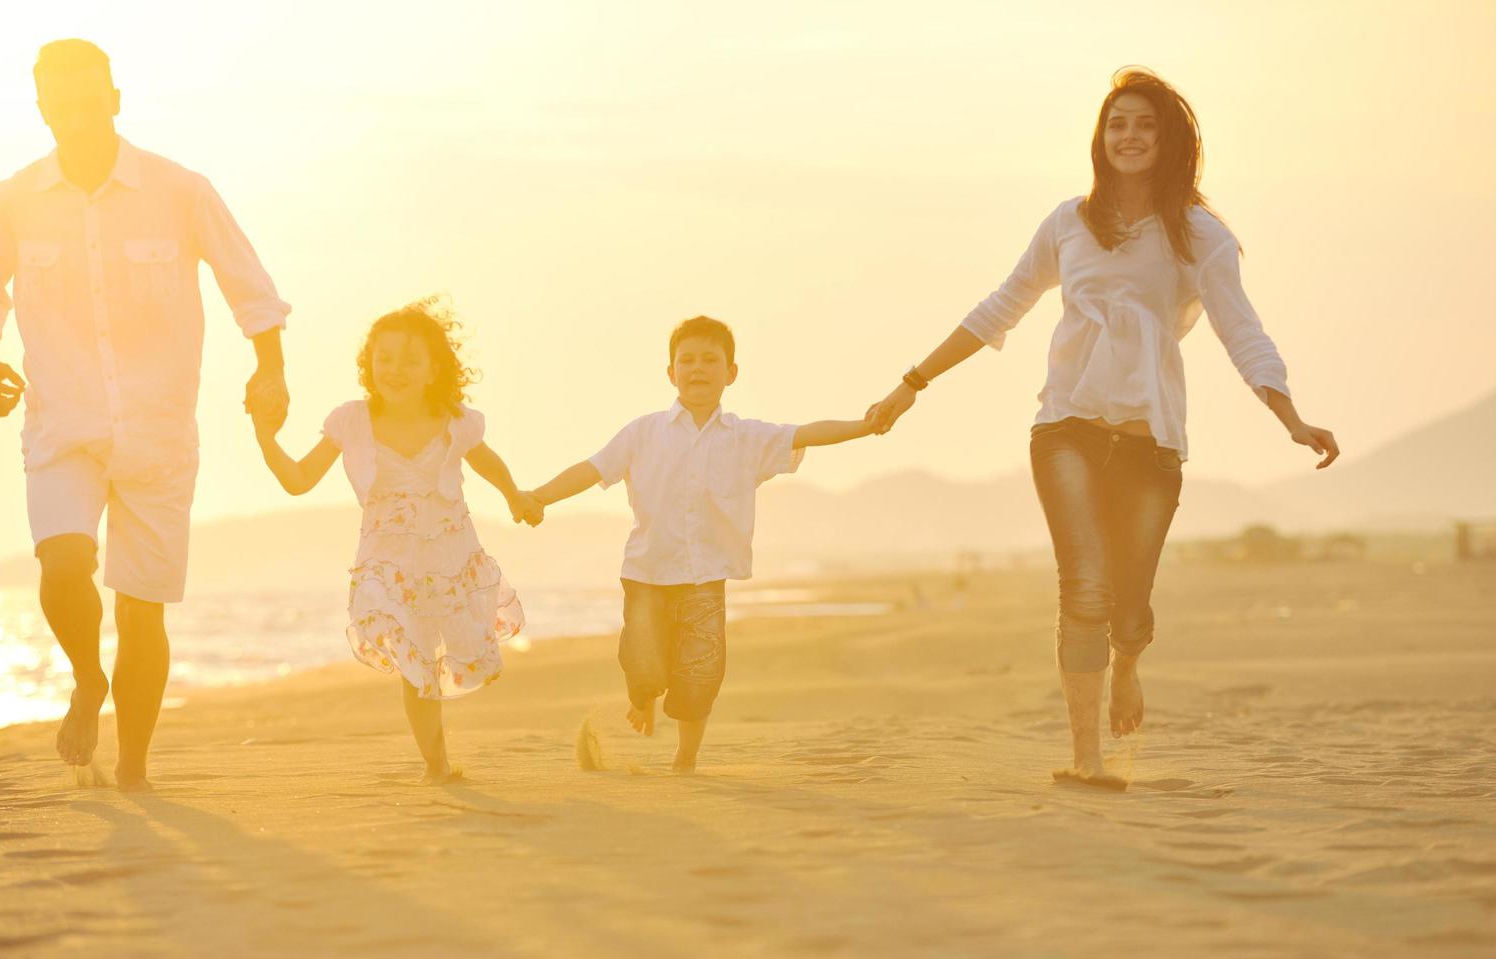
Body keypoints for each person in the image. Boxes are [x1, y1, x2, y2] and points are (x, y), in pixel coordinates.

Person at [866, 68, 1340, 791]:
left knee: (1129, 600)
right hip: (1067, 427)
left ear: (1171, 139)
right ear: (1099, 136)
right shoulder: (1067, 222)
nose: (1128, 136)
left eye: (1144, 124)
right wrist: (911, 384)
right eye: (1117, 122)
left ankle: (1127, 665)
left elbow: (1239, 328)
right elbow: (999, 307)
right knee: (1083, 585)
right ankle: (1084, 756)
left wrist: (1289, 416)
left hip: (1151, 440)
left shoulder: (1200, 237)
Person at [0, 40, 292, 791]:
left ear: (115, 98)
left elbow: (249, 283)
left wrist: (271, 367)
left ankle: (134, 766)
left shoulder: (180, 190)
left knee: (143, 615)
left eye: (88, 100)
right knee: (62, 562)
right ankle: (85, 679)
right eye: (58, 104)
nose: (75, 118)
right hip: (60, 423)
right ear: (41, 108)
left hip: (158, 431)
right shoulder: (12, 199)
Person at [530, 316, 876, 773]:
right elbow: (592, 469)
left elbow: (807, 433)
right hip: (647, 572)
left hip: (705, 576)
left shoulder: (748, 438)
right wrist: (538, 497)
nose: (697, 368)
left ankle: (685, 758)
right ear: (670, 373)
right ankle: (645, 696)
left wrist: (865, 425)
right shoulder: (643, 432)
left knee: (699, 674)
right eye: (686, 360)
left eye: (709, 359)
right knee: (642, 661)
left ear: (731, 372)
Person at [249, 299, 538, 785]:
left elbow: (486, 461)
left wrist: (515, 496)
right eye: (385, 357)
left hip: (449, 557)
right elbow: (299, 480)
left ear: (433, 369)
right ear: (369, 363)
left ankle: (438, 760)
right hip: (387, 563)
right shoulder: (351, 422)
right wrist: (264, 437)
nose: (395, 369)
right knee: (415, 663)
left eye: (409, 359)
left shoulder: (455, 420)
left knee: (444, 657)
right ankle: (436, 764)